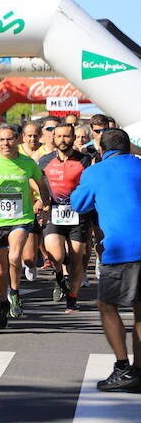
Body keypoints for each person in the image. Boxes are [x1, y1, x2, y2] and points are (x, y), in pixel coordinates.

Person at [72, 129, 141, 392]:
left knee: (106, 305)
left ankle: (123, 367)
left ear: (102, 150)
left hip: (121, 250)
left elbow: (79, 204)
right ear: (129, 147)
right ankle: (139, 371)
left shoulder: (95, 171)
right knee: (140, 311)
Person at [0, 123, 50, 329]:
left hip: (20, 218)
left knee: (14, 257)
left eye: (9, 139)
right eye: (1, 139)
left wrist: (45, 204)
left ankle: (14, 292)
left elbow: (41, 184)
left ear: (17, 140)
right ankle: (3, 303)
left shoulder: (27, 163)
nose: (6, 143)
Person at [38, 123, 92, 313]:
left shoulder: (85, 160)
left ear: (73, 137)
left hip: (79, 214)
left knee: (77, 259)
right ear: (53, 138)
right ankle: (60, 277)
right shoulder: (44, 161)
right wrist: (41, 202)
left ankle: (72, 298)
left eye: (67, 136)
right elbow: (40, 185)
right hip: (54, 212)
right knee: (57, 256)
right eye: (59, 136)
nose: (63, 140)